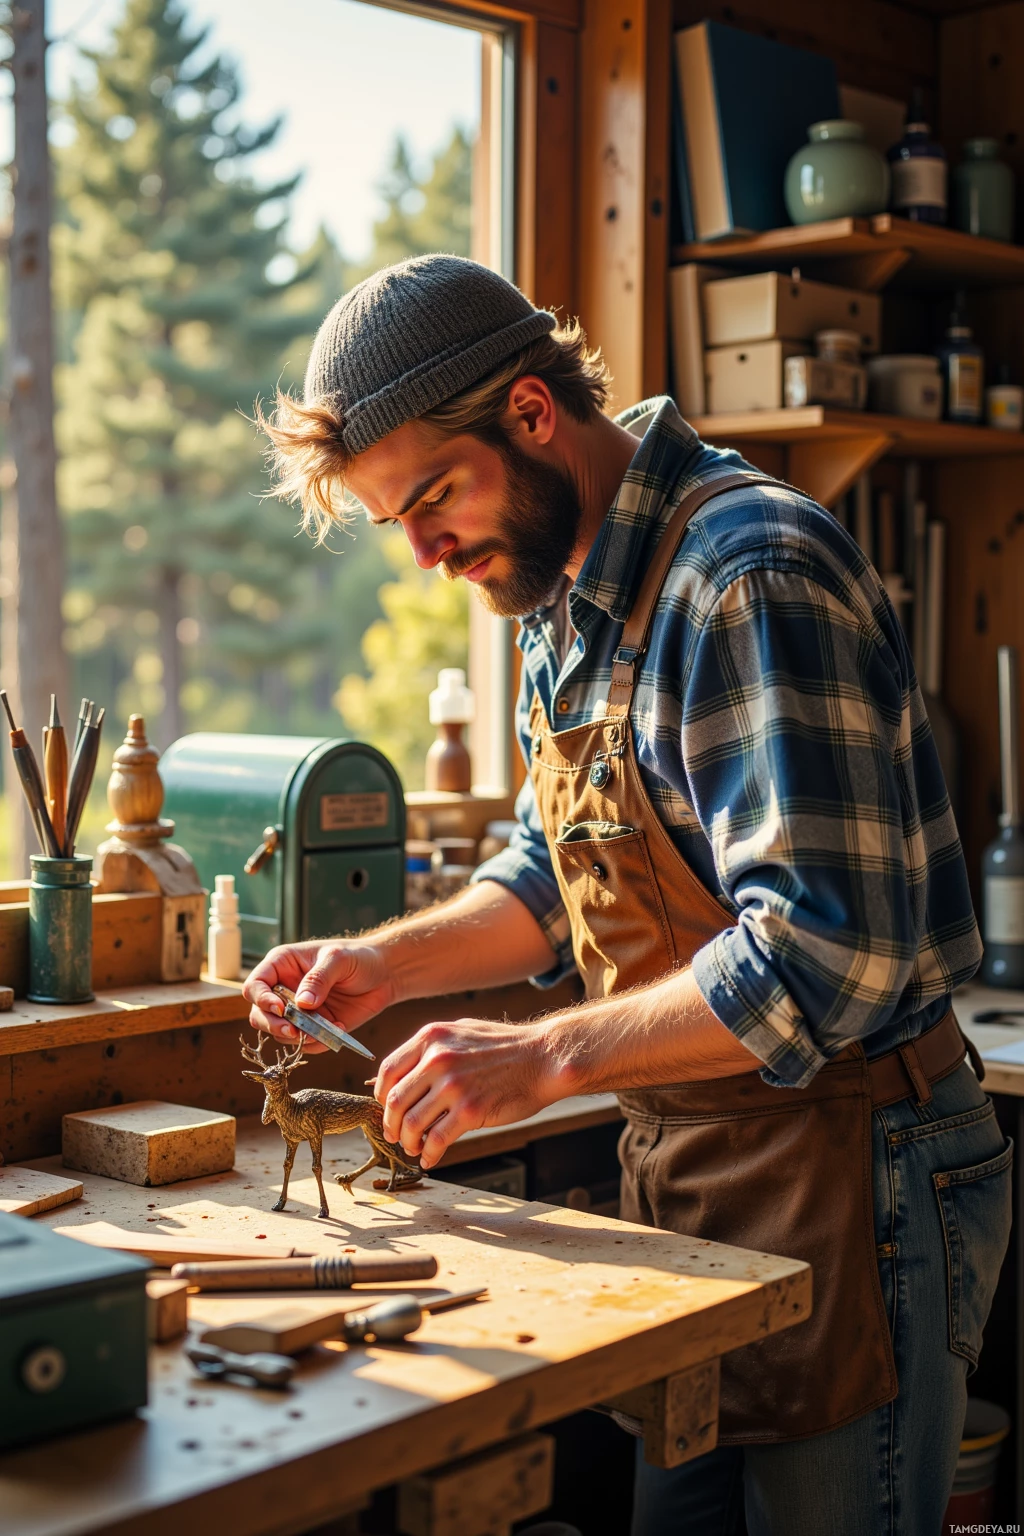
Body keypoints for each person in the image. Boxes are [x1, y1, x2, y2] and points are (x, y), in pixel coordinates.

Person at [246, 255, 1010, 1535]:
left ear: (534, 414)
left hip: (856, 1172)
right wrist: (387, 966)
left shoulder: (744, 573)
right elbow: (558, 872)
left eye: (435, 497)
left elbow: (822, 955)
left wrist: (538, 1060)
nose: (430, 553)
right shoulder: (562, 594)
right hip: (703, 1170)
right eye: (401, 524)